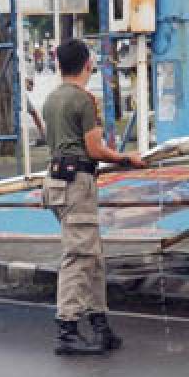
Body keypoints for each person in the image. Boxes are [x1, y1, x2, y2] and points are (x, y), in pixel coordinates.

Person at [42, 38, 144, 355]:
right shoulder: (84, 100)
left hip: (56, 181)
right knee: (79, 255)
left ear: (59, 65)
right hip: (77, 183)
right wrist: (127, 159)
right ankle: (67, 327)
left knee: (92, 254)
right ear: (88, 64)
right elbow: (94, 149)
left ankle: (99, 322)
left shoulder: (52, 99)